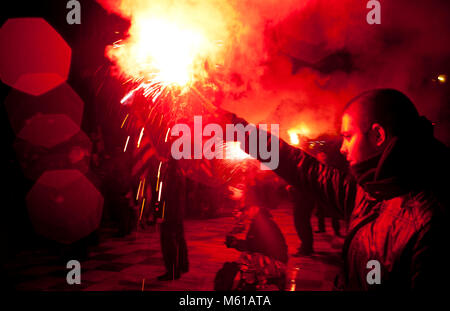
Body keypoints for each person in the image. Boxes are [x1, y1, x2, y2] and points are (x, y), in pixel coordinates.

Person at [225, 88, 450, 290]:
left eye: (348, 137)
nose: (342, 149)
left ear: (377, 136)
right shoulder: (369, 192)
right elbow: (298, 165)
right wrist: (235, 125)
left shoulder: (430, 223)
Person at [157, 157, 189, 281]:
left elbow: (168, 196)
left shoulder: (172, 173)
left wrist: (161, 213)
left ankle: (173, 271)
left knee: (168, 242)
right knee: (179, 239)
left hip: (170, 213)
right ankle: (183, 265)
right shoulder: (180, 170)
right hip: (177, 212)